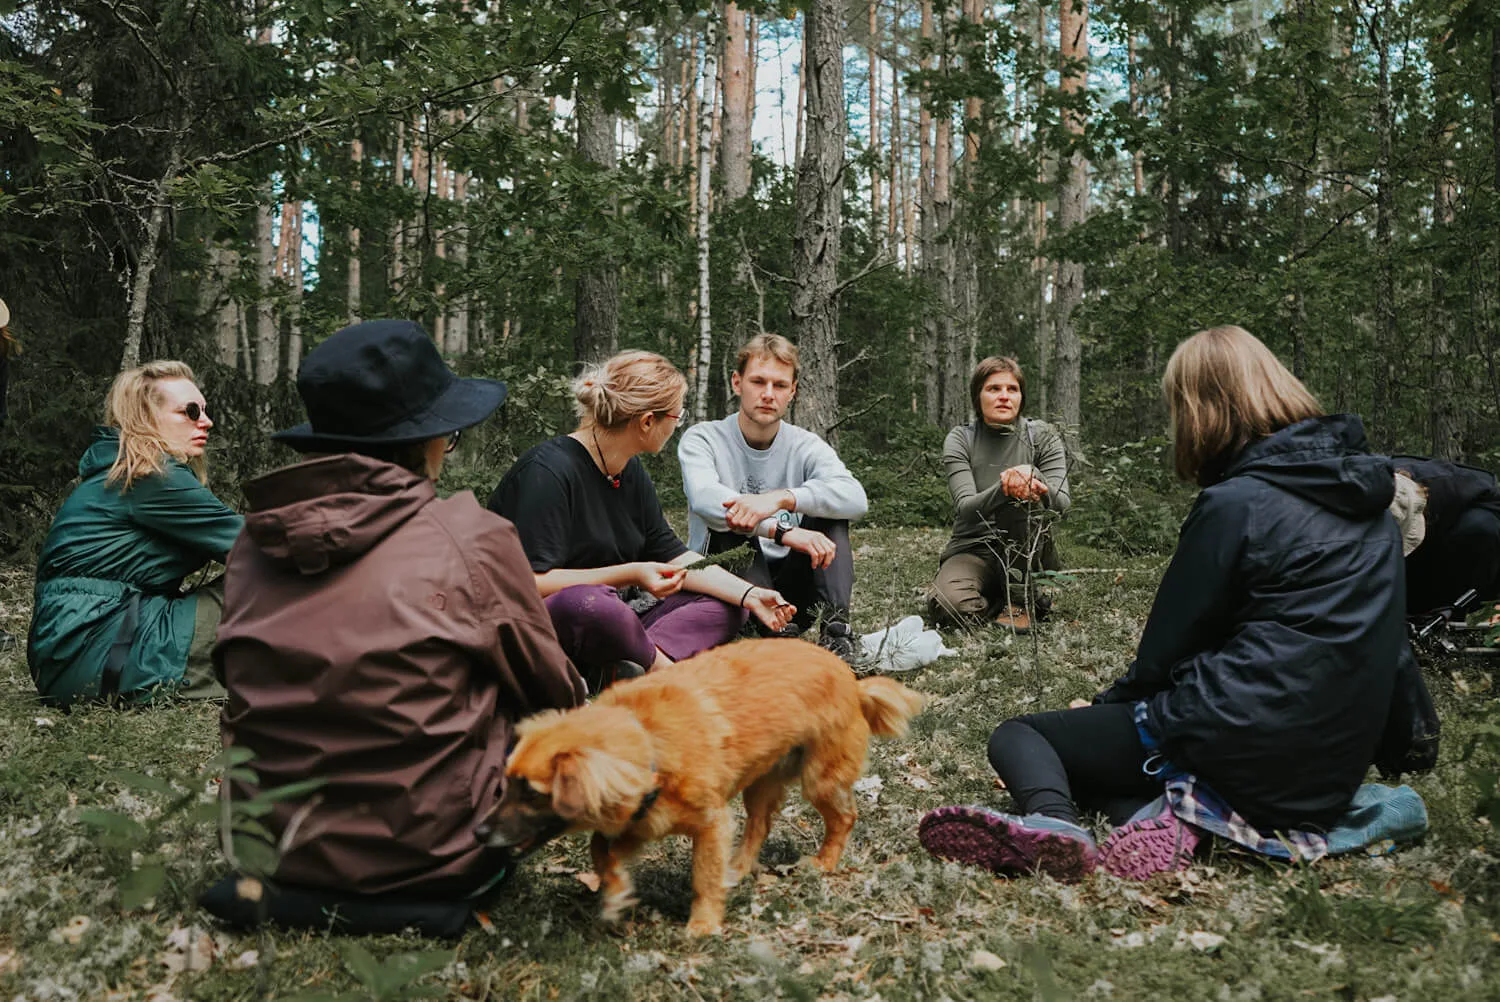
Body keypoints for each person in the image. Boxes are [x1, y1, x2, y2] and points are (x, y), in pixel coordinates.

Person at [919, 326, 1419, 881]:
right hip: (1329, 772)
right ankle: (1178, 822)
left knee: (1024, 736)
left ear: (1202, 409)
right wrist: (1406, 741)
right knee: (1110, 772)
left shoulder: (1235, 504)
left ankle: (1056, 826)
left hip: (1235, 738)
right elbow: (1390, 644)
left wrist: (1107, 708)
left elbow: (1166, 652)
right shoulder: (1374, 504)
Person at [207, 319, 586, 935]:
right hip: (437, 861)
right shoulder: (469, 537)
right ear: (427, 440)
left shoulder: (253, 541)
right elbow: (555, 695)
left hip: (267, 850)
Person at [489, 350, 795, 689]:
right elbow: (528, 584)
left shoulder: (628, 470)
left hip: (619, 617)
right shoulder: (547, 473)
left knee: (726, 605)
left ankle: (623, 668)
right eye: (678, 415)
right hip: (545, 624)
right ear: (648, 421)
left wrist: (749, 593)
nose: (679, 422)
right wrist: (631, 573)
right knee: (591, 604)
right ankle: (667, 674)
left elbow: (674, 555)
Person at [28, 361, 242, 706]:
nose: (206, 421)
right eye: (190, 411)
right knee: (273, 585)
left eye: (204, 409)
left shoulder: (124, 472)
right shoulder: (151, 477)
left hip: (74, 659)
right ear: (145, 418)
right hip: (100, 655)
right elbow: (260, 546)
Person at [678, 334, 868, 661]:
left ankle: (837, 633)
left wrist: (782, 498)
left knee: (830, 511)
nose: (768, 394)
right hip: (728, 587)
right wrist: (785, 531)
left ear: (792, 392)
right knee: (731, 523)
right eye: (758, 381)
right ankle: (771, 633)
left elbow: (855, 498)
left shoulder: (805, 445)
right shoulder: (703, 438)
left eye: (779, 385)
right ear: (737, 383)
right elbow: (705, 498)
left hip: (793, 593)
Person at [929, 356, 1070, 633]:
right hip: (973, 548)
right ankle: (1007, 597)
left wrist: (1034, 478)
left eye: (1012, 389)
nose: (1004, 396)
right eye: (993, 389)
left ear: (1021, 396)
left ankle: (1019, 601)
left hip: (1029, 550)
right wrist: (1004, 485)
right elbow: (966, 508)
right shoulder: (961, 439)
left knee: (1020, 498)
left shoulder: (1042, 436)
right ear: (978, 396)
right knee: (949, 608)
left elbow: (1062, 504)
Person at [1387, 456, 1500, 614]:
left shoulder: (1454, 485)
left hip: (1458, 551)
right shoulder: (1366, 489)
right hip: (1415, 556)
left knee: (1481, 527)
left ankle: (1458, 613)